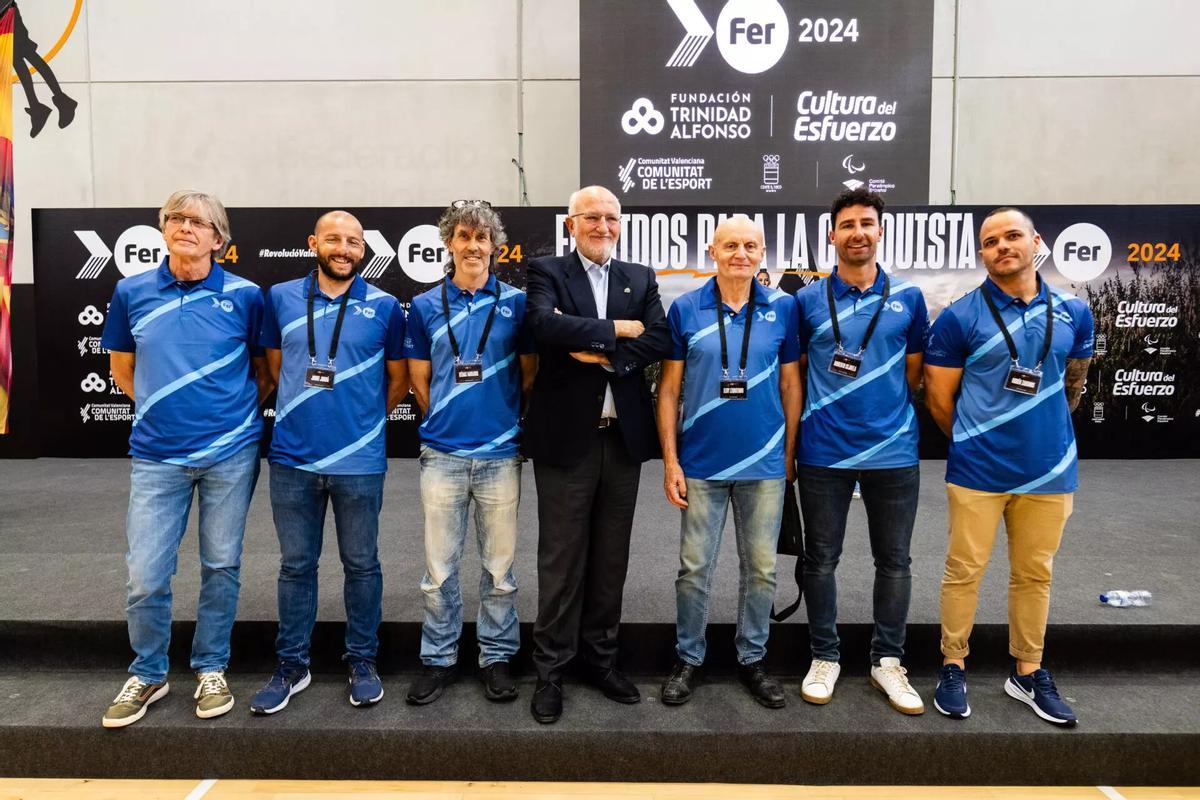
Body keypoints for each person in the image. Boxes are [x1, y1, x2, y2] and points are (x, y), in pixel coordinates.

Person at [99, 190, 271, 728]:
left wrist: (230, 420)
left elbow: (266, 373)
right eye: (176, 218)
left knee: (221, 566)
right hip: (156, 457)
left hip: (230, 455)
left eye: (199, 222)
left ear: (219, 240)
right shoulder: (131, 291)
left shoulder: (246, 296)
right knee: (146, 575)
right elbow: (123, 367)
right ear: (163, 228)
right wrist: (161, 411)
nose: (185, 227)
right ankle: (148, 672)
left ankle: (210, 667)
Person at [924, 207, 1094, 725]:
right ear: (982, 253)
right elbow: (938, 396)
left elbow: (1074, 385)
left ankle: (1027, 672)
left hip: (1048, 470)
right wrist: (977, 441)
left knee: (1034, 574)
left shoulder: (1073, 311)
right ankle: (953, 665)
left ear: (1035, 241)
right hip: (977, 470)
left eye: (1012, 236)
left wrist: (1040, 435)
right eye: (991, 240)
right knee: (963, 572)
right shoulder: (960, 316)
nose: (1002, 246)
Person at [522, 185, 672, 723]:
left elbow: (659, 337)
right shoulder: (546, 272)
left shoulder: (641, 277)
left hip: (622, 439)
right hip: (566, 440)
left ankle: (601, 660)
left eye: (611, 217)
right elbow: (543, 325)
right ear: (570, 223)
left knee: (612, 558)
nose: (603, 226)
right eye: (592, 217)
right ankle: (551, 670)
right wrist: (616, 328)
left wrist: (605, 355)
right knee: (561, 559)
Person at [249, 211, 408, 714]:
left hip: (359, 461)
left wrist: (362, 423)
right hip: (293, 458)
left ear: (364, 251)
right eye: (334, 239)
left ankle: (362, 660)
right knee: (296, 567)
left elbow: (398, 380)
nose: (344, 249)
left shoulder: (385, 307)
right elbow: (274, 369)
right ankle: (292, 664)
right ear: (314, 243)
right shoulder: (279, 298)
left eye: (354, 242)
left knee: (362, 565)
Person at [792, 189, 929, 715]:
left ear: (880, 231)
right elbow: (797, 374)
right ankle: (824, 657)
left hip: (893, 453)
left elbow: (913, 372)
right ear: (832, 235)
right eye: (847, 225)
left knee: (894, 561)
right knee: (821, 559)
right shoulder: (806, 300)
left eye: (867, 224)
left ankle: (887, 662)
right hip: (824, 450)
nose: (857, 233)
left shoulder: (909, 299)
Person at [656, 215, 801, 708]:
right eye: (731, 245)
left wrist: (788, 456)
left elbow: (790, 385)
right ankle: (688, 657)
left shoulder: (783, 309)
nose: (741, 253)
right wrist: (670, 461)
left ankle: (752, 658)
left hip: (764, 467)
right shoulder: (685, 308)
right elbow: (669, 388)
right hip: (700, 464)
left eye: (751, 245)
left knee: (761, 569)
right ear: (712, 251)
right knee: (694, 568)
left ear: (763, 254)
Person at [402, 200, 536, 705]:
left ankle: (497, 656)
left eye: (482, 238)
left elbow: (528, 373)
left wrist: (504, 422)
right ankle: (438, 658)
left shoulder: (518, 303)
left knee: (500, 568)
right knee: (439, 569)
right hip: (442, 454)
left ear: (494, 247)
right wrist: (446, 420)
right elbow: (418, 379)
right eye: (464, 237)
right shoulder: (425, 305)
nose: (473, 246)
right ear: (450, 244)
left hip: (501, 455)